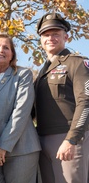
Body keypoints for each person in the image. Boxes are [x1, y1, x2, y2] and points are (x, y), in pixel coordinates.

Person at [33, 12, 89, 183]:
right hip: (42, 141)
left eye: (55, 34)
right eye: (46, 35)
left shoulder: (77, 63)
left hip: (69, 139)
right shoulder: (42, 72)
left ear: (66, 37)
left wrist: (72, 139)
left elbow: (85, 102)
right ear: (41, 40)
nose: (50, 38)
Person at [0, 34, 41, 183]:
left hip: (20, 150)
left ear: (12, 54)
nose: (0, 50)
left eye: (6, 47)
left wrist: (3, 146)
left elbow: (21, 112)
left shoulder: (22, 75)